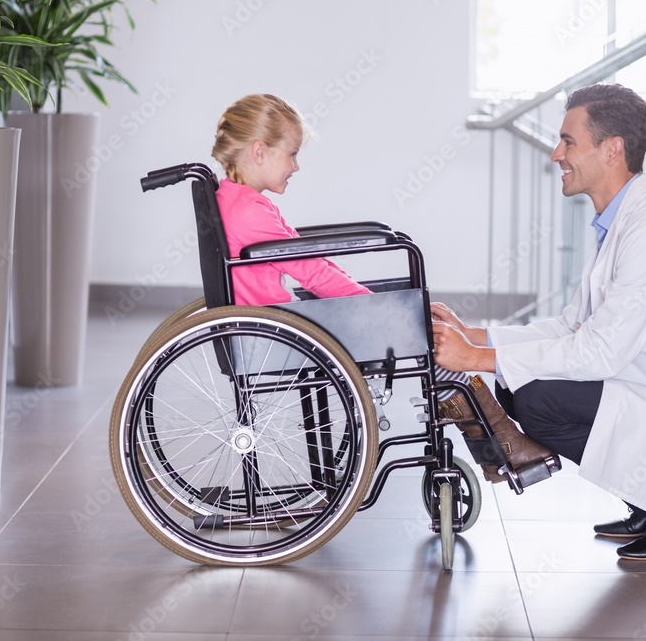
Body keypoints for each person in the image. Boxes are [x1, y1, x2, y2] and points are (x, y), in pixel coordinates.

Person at [431, 83, 646, 561]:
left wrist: (476, 358)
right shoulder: (619, 223)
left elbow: (600, 352)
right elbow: (573, 326)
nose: (555, 154)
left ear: (612, 150)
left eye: (568, 142)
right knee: (518, 385)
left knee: (536, 397)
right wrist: (472, 336)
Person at [210, 93, 557, 482]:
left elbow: (309, 262)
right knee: (429, 340)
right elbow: (314, 274)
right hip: (279, 336)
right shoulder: (251, 211)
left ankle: (498, 445)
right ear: (259, 151)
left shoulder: (234, 201)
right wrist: (380, 310)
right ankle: (504, 445)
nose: (296, 166)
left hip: (274, 329)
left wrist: (377, 304)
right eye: (291, 154)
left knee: (423, 331)